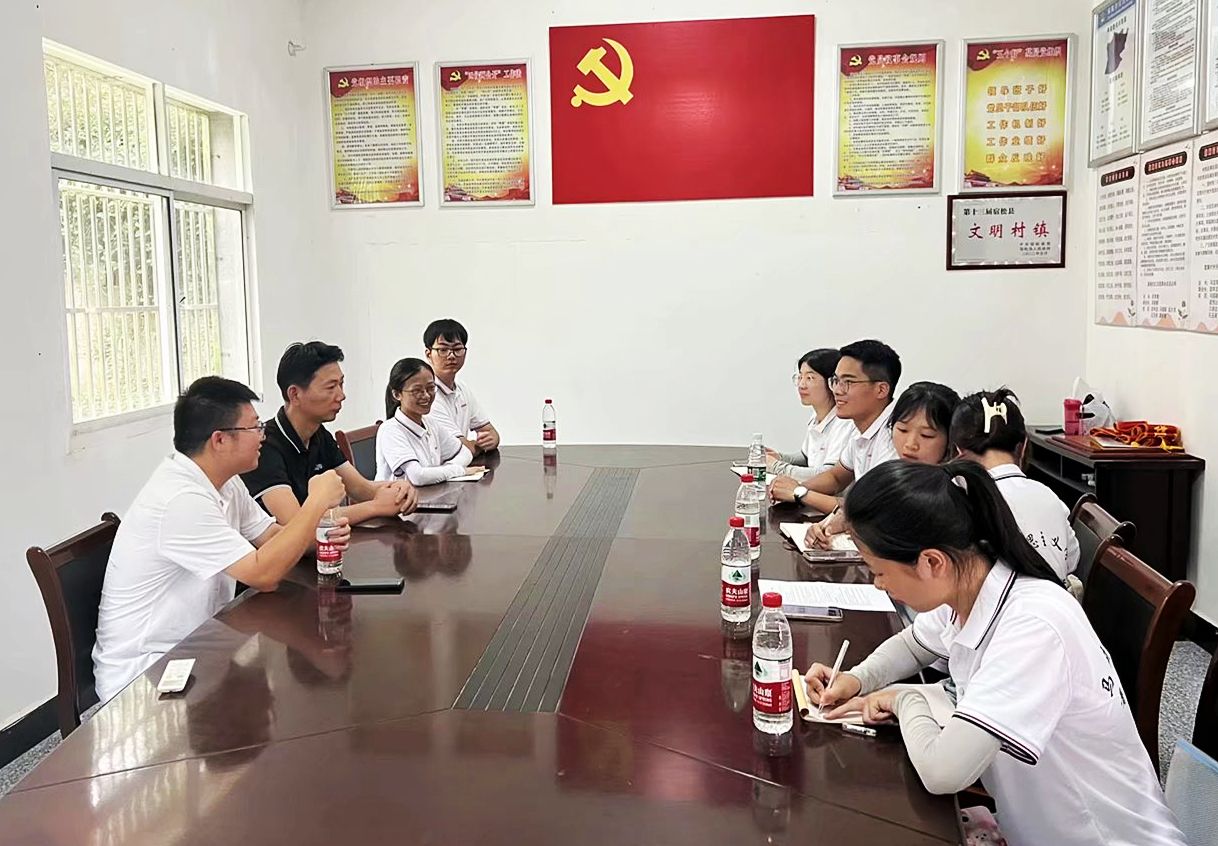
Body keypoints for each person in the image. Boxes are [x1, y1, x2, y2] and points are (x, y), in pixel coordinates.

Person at [804, 460, 1186, 846]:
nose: (877, 584)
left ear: (931, 562)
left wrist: (904, 700)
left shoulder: (1033, 627)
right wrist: (856, 679)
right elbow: (913, 645)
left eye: (879, 571)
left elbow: (944, 772)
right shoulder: (970, 580)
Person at [93, 377, 350, 702]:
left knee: (285, 692)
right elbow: (263, 575)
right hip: (149, 674)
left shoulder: (224, 482)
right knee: (287, 699)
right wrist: (315, 504)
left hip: (202, 644)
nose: (263, 435)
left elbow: (271, 537)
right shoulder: (181, 499)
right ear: (219, 440)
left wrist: (319, 534)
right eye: (255, 427)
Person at [242, 341, 417, 526]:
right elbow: (295, 522)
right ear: (294, 394)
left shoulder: (319, 434)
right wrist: (375, 507)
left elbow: (362, 489)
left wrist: (399, 488)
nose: (341, 395)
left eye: (341, 384)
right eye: (331, 387)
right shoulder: (264, 445)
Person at [806, 380, 959, 548]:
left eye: (926, 435)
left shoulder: (950, 493)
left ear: (951, 441)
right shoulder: (892, 476)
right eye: (902, 430)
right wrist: (827, 528)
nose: (910, 444)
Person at [951, 388, 1080, 581]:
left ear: (958, 450)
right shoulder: (1049, 497)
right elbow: (1072, 561)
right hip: (1054, 597)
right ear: (1024, 445)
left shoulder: (956, 500)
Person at [772, 339, 902, 516]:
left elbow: (868, 512)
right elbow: (835, 477)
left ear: (881, 390)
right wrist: (793, 488)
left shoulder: (895, 437)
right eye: (835, 381)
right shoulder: (862, 428)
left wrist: (799, 493)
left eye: (848, 382)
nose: (837, 390)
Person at [767, 348, 855, 503]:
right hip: (813, 498)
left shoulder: (845, 422)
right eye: (800, 377)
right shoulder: (816, 416)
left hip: (831, 502)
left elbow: (827, 474)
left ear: (832, 382)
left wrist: (778, 467)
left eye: (810, 378)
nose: (801, 385)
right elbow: (806, 456)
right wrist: (780, 457)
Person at [376, 357, 478, 485]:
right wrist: (458, 471)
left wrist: (445, 470)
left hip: (430, 494)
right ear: (397, 394)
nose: (426, 395)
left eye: (431, 388)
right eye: (417, 391)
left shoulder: (430, 424)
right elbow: (418, 477)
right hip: (398, 497)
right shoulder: (390, 430)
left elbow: (465, 453)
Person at [423, 319, 500, 453]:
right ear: (429, 354)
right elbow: (459, 447)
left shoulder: (461, 389)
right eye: (443, 350)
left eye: (457, 349)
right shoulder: (428, 395)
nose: (451, 356)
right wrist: (477, 446)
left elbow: (490, 432)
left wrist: (491, 440)